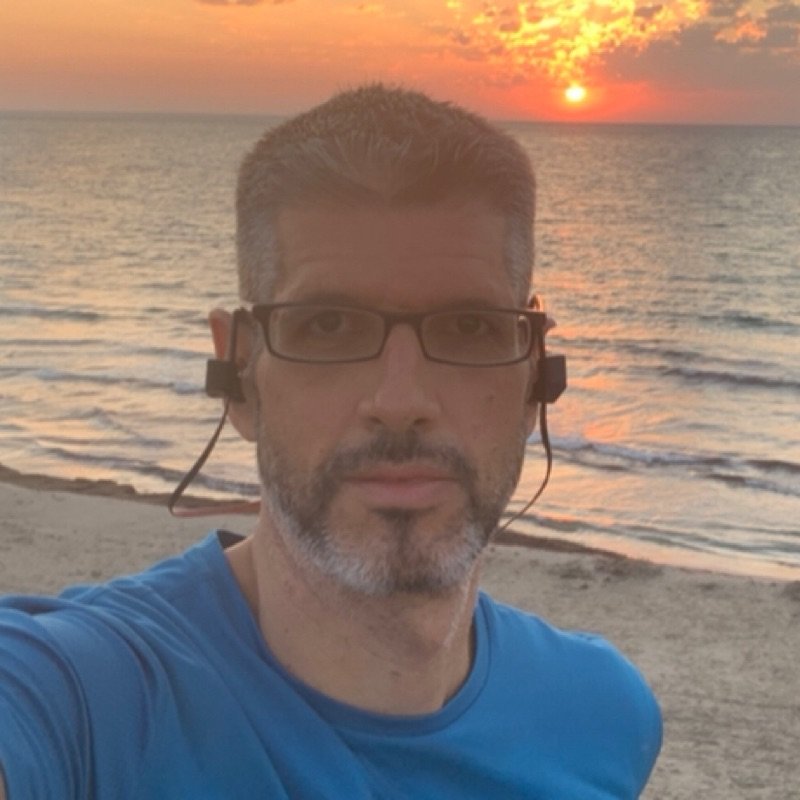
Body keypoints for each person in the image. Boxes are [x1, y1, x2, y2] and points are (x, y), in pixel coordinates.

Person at [0, 84, 661, 798]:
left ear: (535, 374)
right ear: (238, 373)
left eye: (470, 328)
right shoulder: (84, 699)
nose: (400, 403)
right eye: (328, 327)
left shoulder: (602, 714)